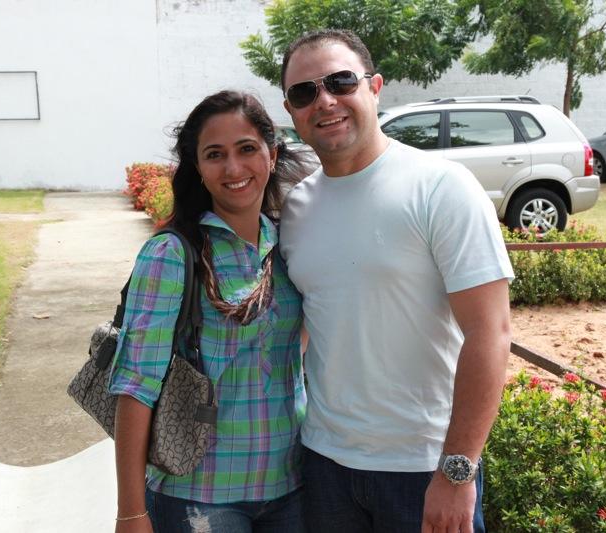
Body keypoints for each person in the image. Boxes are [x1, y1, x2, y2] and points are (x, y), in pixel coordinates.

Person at [279, 29, 515, 533]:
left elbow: (490, 332)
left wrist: (457, 471)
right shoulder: (296, 208)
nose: (325, 101)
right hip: (323, 464)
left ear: (374, 87)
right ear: (291, 110)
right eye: (304, 92)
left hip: (423, 468)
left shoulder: (441, 187)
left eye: (341, 82)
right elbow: (310, 323)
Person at [109, 90, 309, 533]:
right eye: (215, 155)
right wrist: (131, 510)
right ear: (198, 168)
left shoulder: (290, 245)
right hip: (198, 495)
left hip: (291, 486)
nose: (233, 168)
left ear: (272, 155)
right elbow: (136, 385)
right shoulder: (170, 255)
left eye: (247, 149)